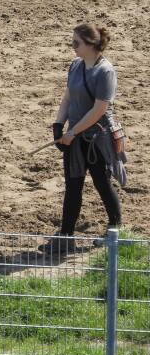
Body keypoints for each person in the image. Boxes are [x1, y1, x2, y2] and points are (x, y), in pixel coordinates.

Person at [42, 23, 126, 254]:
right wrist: (59, 124)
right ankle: (65, 236)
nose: (72, 47)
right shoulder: (76, 65)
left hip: (97, 138)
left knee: (102, 182)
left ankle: (115, 230)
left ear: (91, 44)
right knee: (73, 186)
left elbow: (99, 110)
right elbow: (68, 96)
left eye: (76, 43)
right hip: (75, 137)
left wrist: (73, 132)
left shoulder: (105, 71)